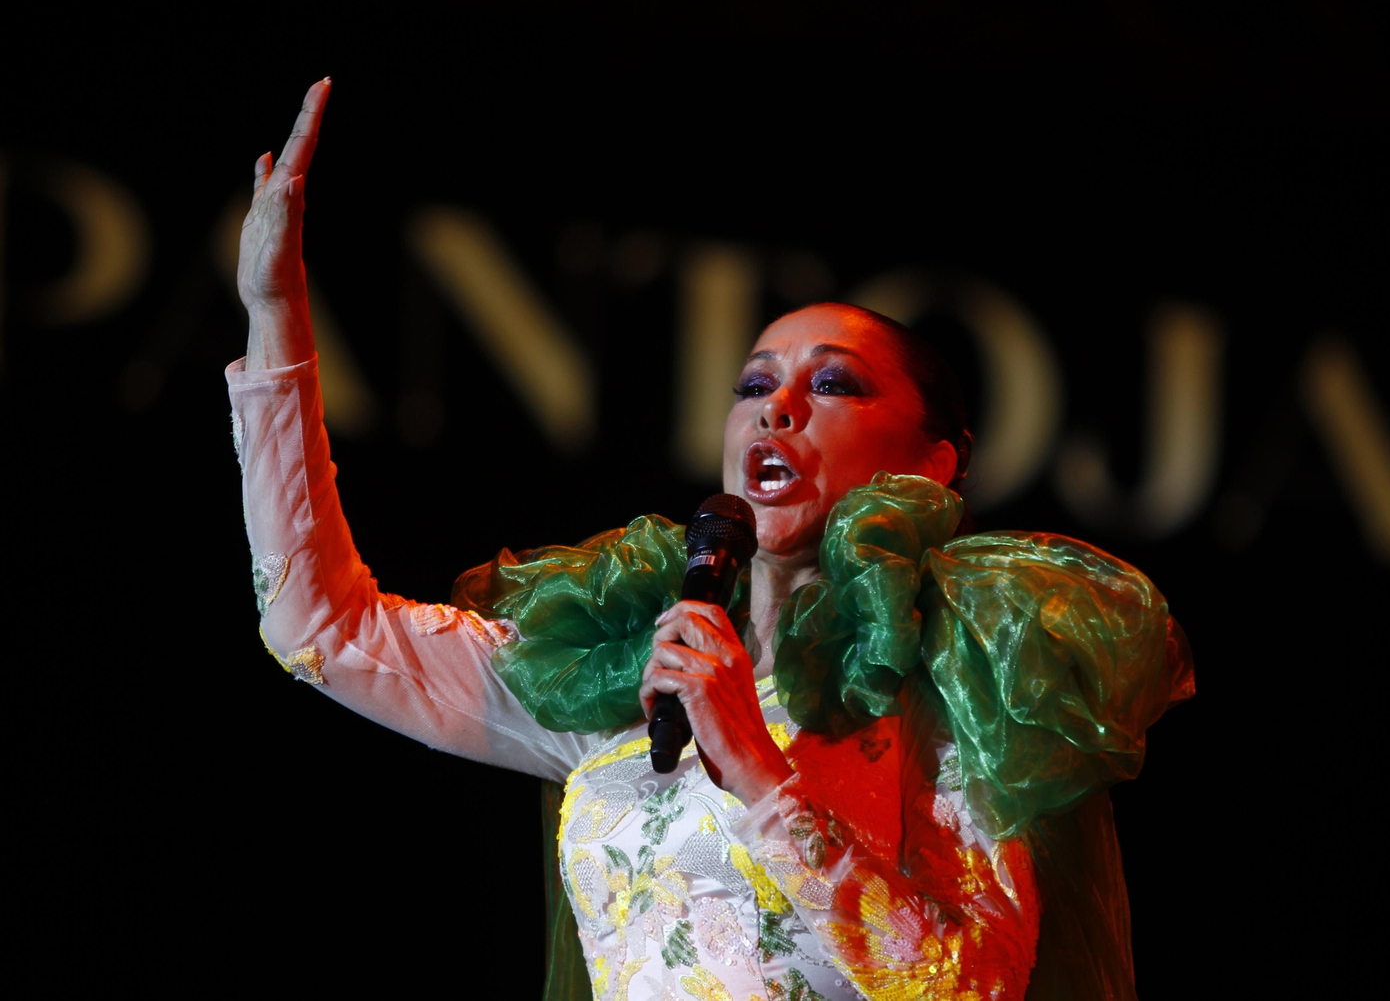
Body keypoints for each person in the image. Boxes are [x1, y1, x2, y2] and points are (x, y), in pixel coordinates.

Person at [232, 79, 1194, 1001]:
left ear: (933, 464)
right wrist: (276, 318)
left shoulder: (955, 691)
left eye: (831, 385)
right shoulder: (630, 680)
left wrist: (760, 769)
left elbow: (971, 987)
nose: (775, 408)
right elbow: (320, 626)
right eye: (752, 385)